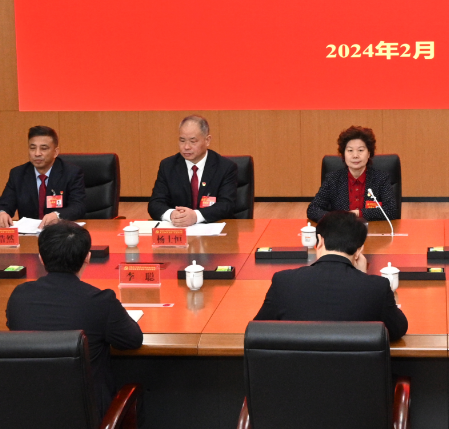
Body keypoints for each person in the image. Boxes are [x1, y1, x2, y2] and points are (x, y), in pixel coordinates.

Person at [6, 220, 144, 429]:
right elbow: (133, 340)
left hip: (25, 415)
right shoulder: (100, 301)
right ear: (87, 258)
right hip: (88, 422)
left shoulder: (19, 296)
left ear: (41, 258)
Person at [253, 211, 407, 340]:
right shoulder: (377, 288)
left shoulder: (284, 282)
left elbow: (258, 331)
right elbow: (398, 329)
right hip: (352, 369)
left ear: (319, 241)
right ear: (359, 250)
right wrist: (361, 276)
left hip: (297, 368)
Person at [148, 115, 242, 225]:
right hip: (179, 229)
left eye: (193, 141)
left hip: (213, 228)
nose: (186, 147)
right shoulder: (168, 166)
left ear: (207, 140)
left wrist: (196, 216)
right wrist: (172, 214)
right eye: (182, 141)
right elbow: (155, 204)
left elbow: (227, 205)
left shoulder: (225, 167)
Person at [0, 125, 87, 226]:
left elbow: (78, 206)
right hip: (28, 233)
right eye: (32, 148)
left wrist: (57, 215)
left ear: (55, 152)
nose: (37, 154)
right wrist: (1, 214)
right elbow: (3, 204)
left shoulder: (71, 173)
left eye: (43, 149)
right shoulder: (18, 174)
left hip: (59, 231)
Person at [308, 126, 401, 222]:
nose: (355, 155)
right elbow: (313, 209)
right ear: (343, 154)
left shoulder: (381, 178)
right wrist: (336, 218)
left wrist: (358, 213)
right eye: (350, 150)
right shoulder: (333, 179)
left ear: (369, 153)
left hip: (372, 229)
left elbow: (391, 210)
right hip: (341, 229)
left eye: (360, 150)